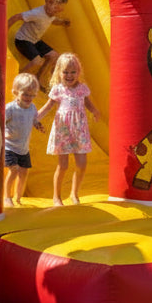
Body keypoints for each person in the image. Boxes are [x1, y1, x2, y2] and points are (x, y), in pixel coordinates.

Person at [37, 53, 100, 206]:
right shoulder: (58, 89)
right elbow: (48, 106)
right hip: (63, 130)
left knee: (82, 164)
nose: (69, 75)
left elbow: (87, 102)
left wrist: (95, 111)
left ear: (79, 72)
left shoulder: (82, 88)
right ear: (59, 72)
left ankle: (74, 193)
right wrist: (35, 117)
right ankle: (56, 196)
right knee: (63, 165)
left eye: (73, 72)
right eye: (65, 72)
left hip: (79, 130)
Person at [7, 0, 71, 84]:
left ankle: (38, 78)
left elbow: (52, 20)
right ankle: (17, 77)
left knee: (54, 56)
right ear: (48, 2)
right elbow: (16, 17)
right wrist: (4, 30)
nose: (58, 11)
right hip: (22, 40)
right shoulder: (37, 13)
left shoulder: (51, 13)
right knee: (37, 61)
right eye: (57, 8)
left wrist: (62, 22)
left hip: (35, 40)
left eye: (59, 9)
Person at [3, 73, 46, 207]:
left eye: (32, 95)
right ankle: (7, 197)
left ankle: (18, 198)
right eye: (26, 94)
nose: (29, 98)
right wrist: (5, 131)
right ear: (16, 92)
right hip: (10, 146)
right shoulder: (10, 108)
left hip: (23, 148)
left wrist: (38, 125)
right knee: (14, 170)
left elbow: (34, 119)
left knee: (24, 172)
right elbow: (0, 121)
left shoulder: (32, 107)